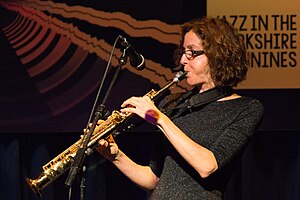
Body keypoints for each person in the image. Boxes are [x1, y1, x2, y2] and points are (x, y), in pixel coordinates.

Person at [96, 17, 264, 199]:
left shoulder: (246, 108)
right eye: (184, 52)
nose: (183, 60)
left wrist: (159, 119)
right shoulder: (172, 103)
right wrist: (116, 156)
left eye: (192, 52)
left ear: (218, 56)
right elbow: (153, 179)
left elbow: (207, 166)